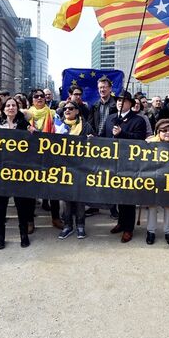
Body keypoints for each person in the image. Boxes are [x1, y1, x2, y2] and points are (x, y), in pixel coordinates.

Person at [0, 97, 35, 249]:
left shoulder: (24, 124)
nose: (10, 108)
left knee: (21, 206)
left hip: (19, 171)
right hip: (2, 172)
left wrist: (34, 133)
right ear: (3, 109)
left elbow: (34, 143)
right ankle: (0, 237)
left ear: (17, 108)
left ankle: (23, 235)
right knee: (0, 206)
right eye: (7, 105)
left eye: (13, 105)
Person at [101, 91, 148, 243]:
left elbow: (140, 140)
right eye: (119, 100)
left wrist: (123, 133)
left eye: (124, 100)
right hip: (112, 163)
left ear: (131, 103)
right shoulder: (110, 119)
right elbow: (102, 136)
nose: (120, 102)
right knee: (118, 195)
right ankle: (121, 223)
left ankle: (129, 228)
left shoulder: (138, 120)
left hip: (129, 164)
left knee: (128, 197)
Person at [57, 101, 95, 240]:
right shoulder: (58, 125)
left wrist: (92, 140)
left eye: (71, 108)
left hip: (80, 167)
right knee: (65, 198)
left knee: (79, 197)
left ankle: (80, 225)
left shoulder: (86, 126)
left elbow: (97, 147)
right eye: (65, 108)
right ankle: (67, 225)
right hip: (63, 167)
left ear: (77, 111)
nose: (67, 110)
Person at [26, 88, 63, 229]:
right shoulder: (25, 116)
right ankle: (29, 221)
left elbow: (61, 131)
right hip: (31, 158)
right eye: (36, 96)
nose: (40, 98)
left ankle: (55, 218)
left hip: (50, 156)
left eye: (42, 96)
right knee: (30, 191)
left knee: (53, 189)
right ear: (32, 100)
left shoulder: (53, 114)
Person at [143, 118, 169, 246]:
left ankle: (168, 232)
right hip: (153, 179)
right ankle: (150, 231)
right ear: (158, 132)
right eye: (164, 130)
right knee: (152, 205)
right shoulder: (149, 143)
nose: (167, 133)